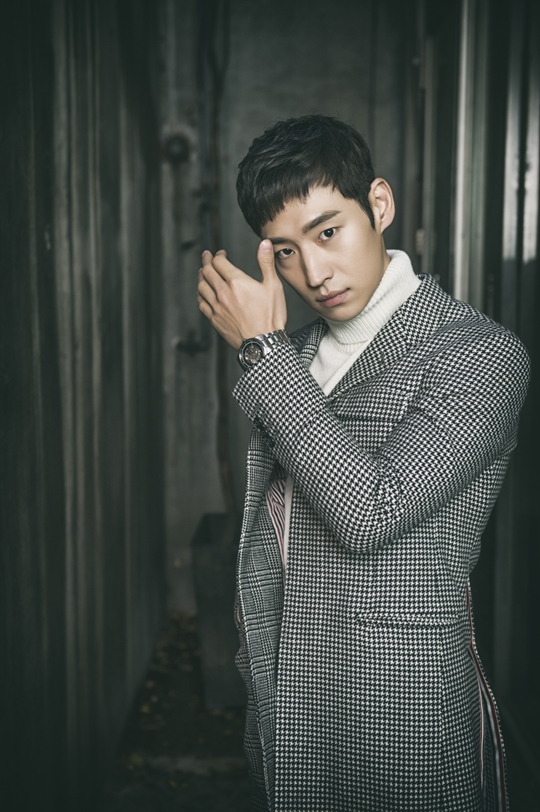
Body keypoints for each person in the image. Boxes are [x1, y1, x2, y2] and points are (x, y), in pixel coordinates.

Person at [196, 114, 529, 812]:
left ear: (378, 205)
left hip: (400, 710)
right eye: (286, 252)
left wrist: (261, 351)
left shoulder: (479, 354)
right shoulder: (297, 354)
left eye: (327, 233)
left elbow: (370, 510)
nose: (314, 273)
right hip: (291, 701)